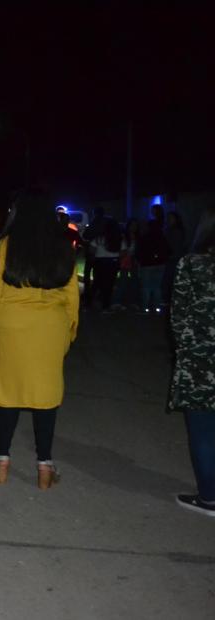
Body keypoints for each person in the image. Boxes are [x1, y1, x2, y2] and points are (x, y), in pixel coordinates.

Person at [0, 190, 79, 489]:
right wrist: (70, 330)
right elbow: (72, 295)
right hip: (51, 326)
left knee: (8, 392)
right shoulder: (63, 246)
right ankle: (45, 466)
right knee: (46, 394)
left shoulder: (6, 245)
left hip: (12, 324)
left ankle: (2, 461)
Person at [168, 204, 215, 517]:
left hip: (201, 359)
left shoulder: (193, 264)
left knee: (202, 429)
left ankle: (209, 497)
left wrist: (184, 345)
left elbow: (178, 314)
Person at [135, 209, 170, 314]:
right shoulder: (162, 238)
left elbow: (139, 251)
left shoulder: (144, 238)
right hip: (160, 264)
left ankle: (145, 308)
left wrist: (139, 261)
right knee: (157, 287)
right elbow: (168, 250)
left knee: (146, 287)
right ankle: (157, 307)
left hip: (147, 264)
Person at [112, 218, 141, 310]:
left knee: (135, 281)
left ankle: (133, 301)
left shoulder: (138, 236)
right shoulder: (124, 236)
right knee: (123, 281)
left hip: (134, 259)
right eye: (132, 225)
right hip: (125, 259)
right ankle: (117, 301)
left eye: (135, 225)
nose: (134, 227)